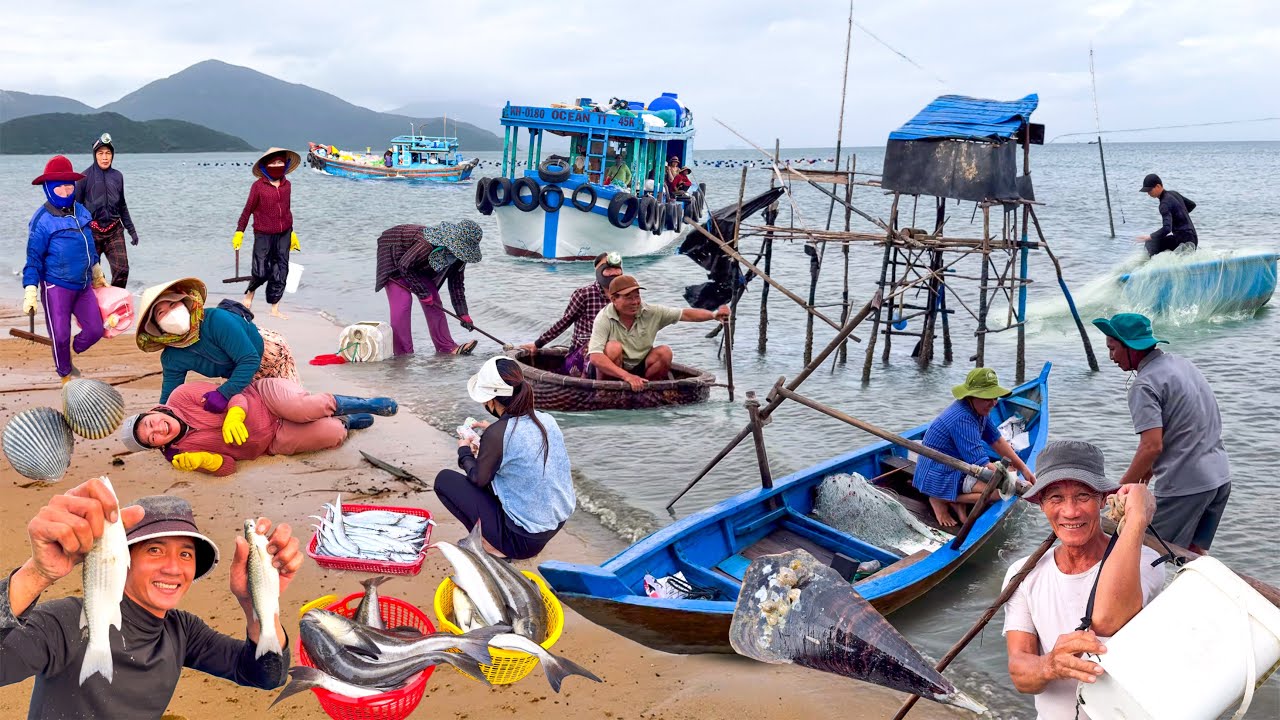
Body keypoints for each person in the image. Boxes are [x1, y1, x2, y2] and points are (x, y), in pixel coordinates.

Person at [0, 478, 300, 719]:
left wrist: (256, 603)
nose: (172, 568)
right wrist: (36, 574)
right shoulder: (66, 622)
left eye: (185, 553)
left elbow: (265, 675)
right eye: (155, 550)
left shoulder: (181, 630)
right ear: (123, 559)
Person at [1003, 440, 1168, 720]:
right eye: (1055, 498)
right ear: (1041, 504)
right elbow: (1020, 673)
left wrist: (1137, 518)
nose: (1070, 512)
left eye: (1083, 496)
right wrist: (1049, 666)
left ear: (1104, 500)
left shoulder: (1145, 561)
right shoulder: (1024, 573)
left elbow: (1108, 619)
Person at [1092, 312, 1230, 553]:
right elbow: (1181, 427)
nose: (1111, 357)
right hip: (1219, 478)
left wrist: (1118, 490)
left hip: (1186, 486)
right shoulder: (1180, 364)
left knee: (1147, 554)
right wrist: (1144, 476)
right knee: (1193, 556)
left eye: (1113, 349)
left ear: (1132, 348)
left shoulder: (1144, 384)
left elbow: (1152, 446)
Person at [434, 357, 575, 559]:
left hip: (522, 539)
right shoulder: (546, 420)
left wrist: (464, 450)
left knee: (444, 480)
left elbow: (478, 479)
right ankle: (493, 537)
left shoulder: (498, 433)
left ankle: (489, 543)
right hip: (554, 522)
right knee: (494, 474)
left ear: (491, 401)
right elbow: (523, 456)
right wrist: (490, 438)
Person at [118, 378, 397, 476]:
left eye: (151, 423)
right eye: (151, 438)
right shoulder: (179, 455)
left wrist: (234, 415)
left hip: (264, 398)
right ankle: (346, 421)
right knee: (332, 434)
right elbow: (228, 466)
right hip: (271, 441)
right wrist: (205, 460)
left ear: (153, 412)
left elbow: (234, 393)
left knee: (304, 410)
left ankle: (364, 403)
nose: (158, 430)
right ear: (156, 446)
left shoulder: (180, 397)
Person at [135, 278, 299, 408]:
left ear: (185, 303)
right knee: (263, 413)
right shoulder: (172, 357)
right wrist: (160, 413)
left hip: (269, 354)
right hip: (238, 374)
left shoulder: (216, 320)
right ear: (155, 326)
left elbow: (250, 359)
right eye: (162, 312)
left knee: (292, 404)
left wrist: (224, 393)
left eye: (173, 304)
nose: (172, 313)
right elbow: (170, 395)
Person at [912, 368, 1037, 527]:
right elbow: (981, 462)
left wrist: (1024, 469)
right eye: (987, 398)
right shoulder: (962, 419)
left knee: (1012, 474)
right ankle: (941, 498)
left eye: (995, 398)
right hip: (938, 473)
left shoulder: (979, 412)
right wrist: (1015, 484)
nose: (993, 403)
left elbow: (997, 441)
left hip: (956, 466)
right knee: (1002, 492)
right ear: (971, 396)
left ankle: (955, 500)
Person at [22, 155, 109, 384]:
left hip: (83, 286)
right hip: (56, 287)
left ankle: (72, 351)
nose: (65, 190)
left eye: (68, 185)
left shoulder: (81, 211)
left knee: (95, 331)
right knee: (60, 336)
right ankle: (65, 375)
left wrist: (97, 271)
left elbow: (89, 244)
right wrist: (30, 289)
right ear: (48, 188)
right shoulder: (41, 220)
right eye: (58, 186)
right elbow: (33, 259)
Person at [587, 275, 728, 391]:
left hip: (639, 367)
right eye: (628, 297)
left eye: (637, 296)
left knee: (664, 352)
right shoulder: (604, 317)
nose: (635, 302)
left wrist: (714, 315)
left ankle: (648, 389)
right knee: (613, 347)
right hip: (611, 373)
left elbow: (685, 314)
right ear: (614, 300)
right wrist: (627, 377)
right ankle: (606, 391)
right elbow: (595, 357)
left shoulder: (651, 312)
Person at [374, 220, 483, 356]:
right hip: (395, 258)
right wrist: (423, 293)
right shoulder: (425, 244)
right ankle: (403, 354)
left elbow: (456, 285)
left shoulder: (460, 258)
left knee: (434, 302)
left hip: (416, 266)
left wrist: (463, 314)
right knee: (403, 304)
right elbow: (404, 265)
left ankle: (447, 347)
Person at [520, 252, 623, 376]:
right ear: (598, 270)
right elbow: (564, 322)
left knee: (617, 346)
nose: (613, 273)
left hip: (613, 352)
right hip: (582, 355)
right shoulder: (584, 294)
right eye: (608, 269)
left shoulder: (625, 296)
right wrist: (537, 344)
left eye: (617, 269)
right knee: (596, 344)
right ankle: (593, 381)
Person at [233, 148, 301, 319]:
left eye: (280, 162)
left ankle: (275, 308)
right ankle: (250, 292)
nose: (277, 165)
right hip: (263, 233)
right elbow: (247, 210)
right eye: (273, 162)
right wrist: (239, 231)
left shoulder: (287, 185)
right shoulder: (258, 187)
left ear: (285, 165)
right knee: (261, 270)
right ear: (265, 165)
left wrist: (292, 232)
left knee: (282, 270)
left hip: (284, 233)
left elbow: (287, 210)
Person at [74, 133, 139, 288]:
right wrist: (76, 233)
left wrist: (131, 230)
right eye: (101, 153)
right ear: (95, 155)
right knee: (90, 273)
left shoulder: (118, 176)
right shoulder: (83, 177)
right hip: (92, 231)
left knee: (122, 269)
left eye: (108, 153)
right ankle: (93, 305)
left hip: (114, 230)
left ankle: (114, 301)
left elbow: (122, 205)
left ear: (112, 155)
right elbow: (76, 208)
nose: (105, 157)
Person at [1136, 173, 1197, 257]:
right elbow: (1192, 205)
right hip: (1193, 239)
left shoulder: (1164, 204)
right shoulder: (1174, 193)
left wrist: (1150, 237)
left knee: (1150, 243)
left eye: (1150, 190)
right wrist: (1179, 216)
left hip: (1183, 242)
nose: (1148, 193)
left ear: (1158, 186)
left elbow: (1167, 229)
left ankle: (1149, 267)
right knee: (1164, 241)